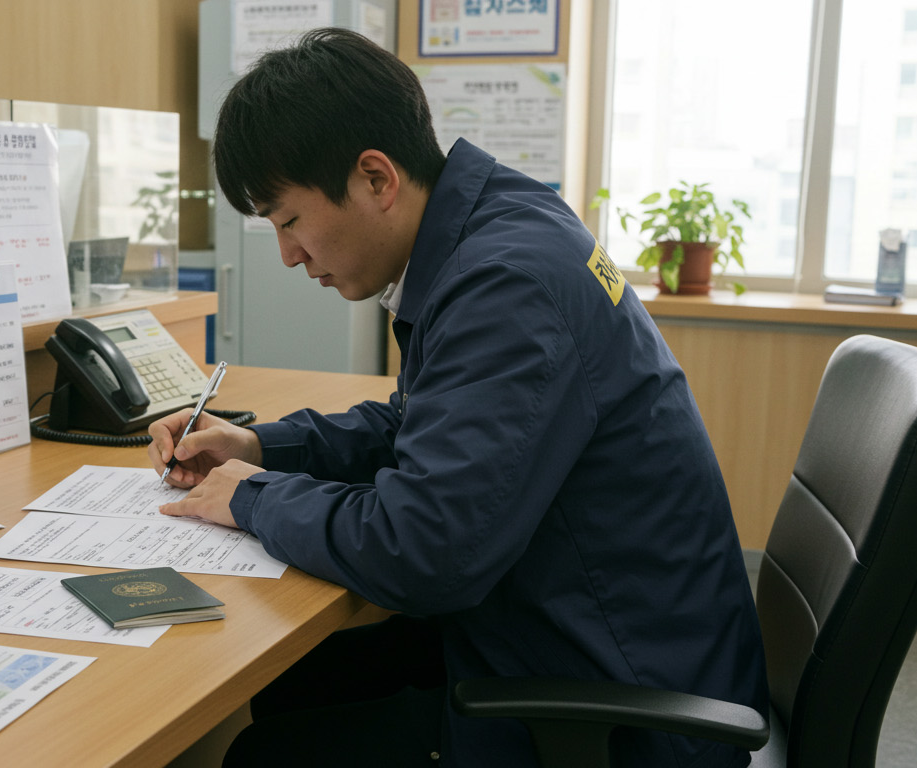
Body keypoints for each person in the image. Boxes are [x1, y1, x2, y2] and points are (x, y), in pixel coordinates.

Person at [148, 28, 768, 768]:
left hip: (628, 707)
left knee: (268, 751)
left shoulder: (506, 285)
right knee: (303, 680)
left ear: (376, 178)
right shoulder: (495, 227)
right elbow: (420, 422)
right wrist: (261, 446)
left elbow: (423, 551)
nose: (287, 254)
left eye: (288, 220)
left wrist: (253, 498)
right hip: (593, 629)